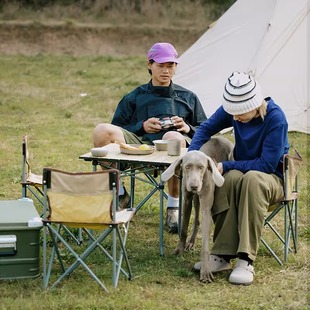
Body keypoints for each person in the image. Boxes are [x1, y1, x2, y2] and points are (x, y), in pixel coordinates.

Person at [92, 42, 206, 233]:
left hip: (175, 149)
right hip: (140, 145)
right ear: (149, 65)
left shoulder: (188, 97)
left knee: (172, 136)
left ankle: (173, 207)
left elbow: (205, 129)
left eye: (170, 66)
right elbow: (117, 127)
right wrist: (142, 126)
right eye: (160, 65)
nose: (165, 71)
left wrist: (186, 127)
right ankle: (120, 195)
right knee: (101, 130)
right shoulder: (135, 97)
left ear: (176, 67)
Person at [189, 71, 289, 285]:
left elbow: (266, 165)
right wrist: (193, 154)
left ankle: (245, 259)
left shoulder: (276, 119)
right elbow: (205, 128)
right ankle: (223, 254)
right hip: (243, 172)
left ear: (254, 105)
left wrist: (226, 164)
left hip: (273, 179)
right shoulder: (235, 109)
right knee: (228, 179)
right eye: (231, 114)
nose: (234, 119)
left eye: (240, 114)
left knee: (251, 179)